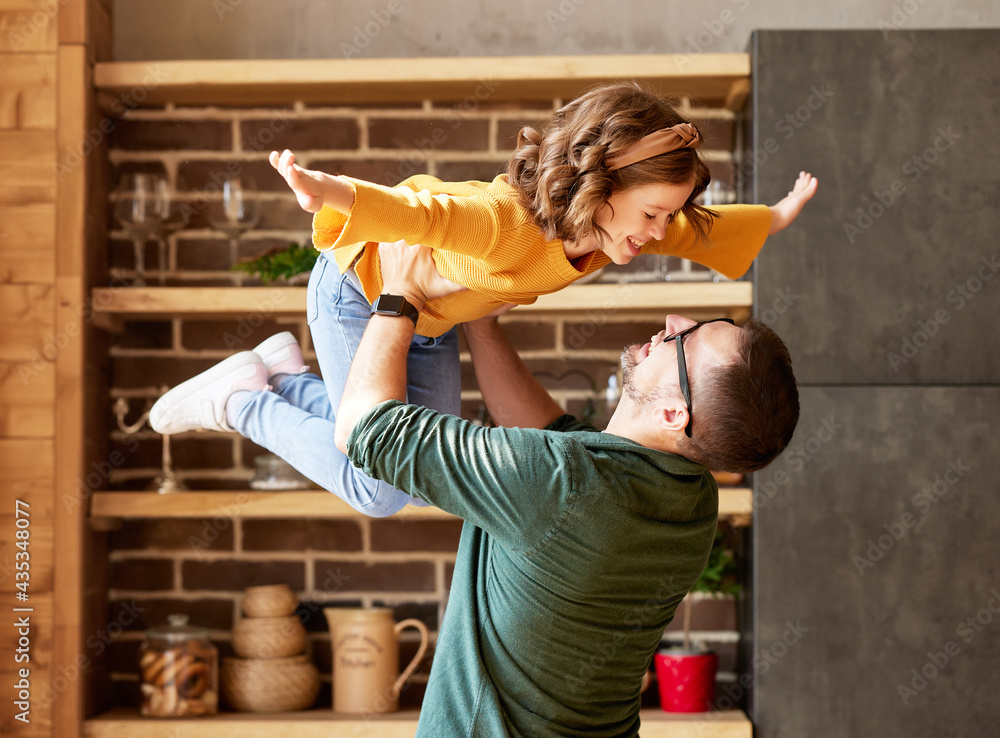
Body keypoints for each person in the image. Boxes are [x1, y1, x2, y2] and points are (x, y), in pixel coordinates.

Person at [150, 82, 816, 517]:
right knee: (381, 490)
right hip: (365, 294)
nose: (660, 230)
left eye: (667, 214)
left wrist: (778, 218)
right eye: (652, 212)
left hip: (434, 320)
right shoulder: (506, 222)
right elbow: (421, 213)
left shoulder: (616, 229)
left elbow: (703, 232)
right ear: (600, 186)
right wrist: (329, 192)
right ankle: (244, 399)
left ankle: (286, 374)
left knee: (405, 469)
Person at [328, 239, 799, 736]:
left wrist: (401, 293)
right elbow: (548, 433)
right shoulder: (691, 498)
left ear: (673, 413)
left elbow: (363, 428)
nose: (676, 321)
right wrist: (481, 323)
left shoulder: (564, 485)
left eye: (690, 338)